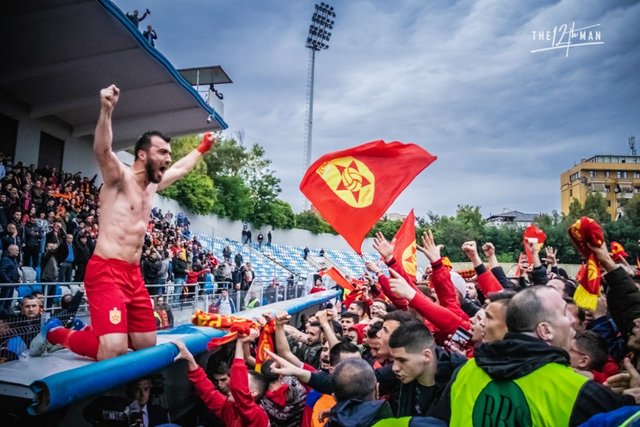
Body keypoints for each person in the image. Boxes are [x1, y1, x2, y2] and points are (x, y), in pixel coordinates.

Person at [42, 84, 216, 360]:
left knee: (146, 346)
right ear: (142, 155)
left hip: (134, 275)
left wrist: (202, 149)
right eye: (162, 152)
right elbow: (103, 149)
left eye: (169, 154)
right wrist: (106, 109)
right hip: (106, 272)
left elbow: (181, 169)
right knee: (113, 350)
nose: (168, 158)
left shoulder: (152, 187)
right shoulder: (119, 178)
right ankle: (56, 333)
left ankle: (86, 330)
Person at [433, 285, 635, 426]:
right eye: (565, 313)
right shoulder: (577, 390)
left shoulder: (465, 372)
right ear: (544, 331)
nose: (572, 321)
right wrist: (628, 404)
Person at [172, 331, 270, 427]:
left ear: (253, 393)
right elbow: (208, 392)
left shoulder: (259, 415)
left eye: (243, 382)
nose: (233, 386)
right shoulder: (230, 408)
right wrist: (190, 359)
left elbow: (238, 390)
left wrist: (240, 343)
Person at [0, 244, 21, 314]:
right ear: (11, 250)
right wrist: (8, 281)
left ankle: (6, 317)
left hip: (11, 284)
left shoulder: (14, 259)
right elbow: (2, 272)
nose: (18, 252)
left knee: (8, 302)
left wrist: (18, 277)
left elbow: (14, 270)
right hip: (6, 285)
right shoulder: (5, 259)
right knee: (3, 302)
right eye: (16, 250)